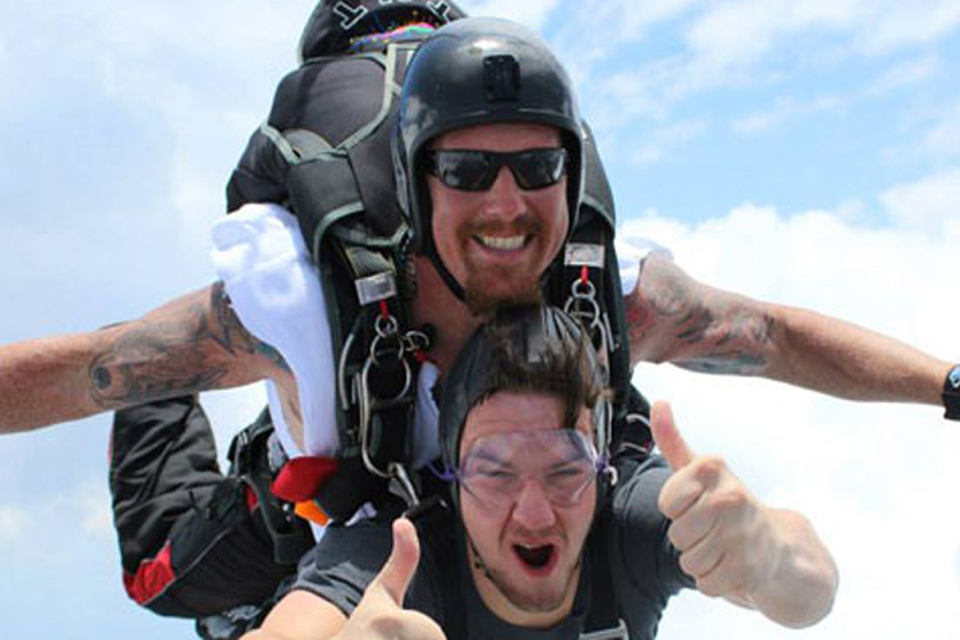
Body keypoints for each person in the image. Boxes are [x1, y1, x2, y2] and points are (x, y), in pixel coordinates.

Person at [0, 9, 951, 634]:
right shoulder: (306, 303)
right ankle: (225, 435)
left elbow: (772, 340)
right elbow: (93, 367)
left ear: (572, 179)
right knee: (167, 579)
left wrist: (948, 385)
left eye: (536, 169)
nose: (505, 205)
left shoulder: (615, 299)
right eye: (465, 173)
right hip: (336, 493)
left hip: (433, 510)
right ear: (414, 184)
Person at [247, 304, 839, 639]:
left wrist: (767, 553)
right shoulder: (400, 556)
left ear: (604, 467)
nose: (533, 512)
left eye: (564, 468)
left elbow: (810, 592)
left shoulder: (631, 523)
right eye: (495, 471)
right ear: (451, 477)